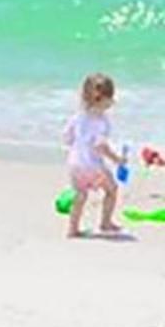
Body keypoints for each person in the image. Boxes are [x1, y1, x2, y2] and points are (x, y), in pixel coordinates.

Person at [62, 73, 124, 237]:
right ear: (104, 99)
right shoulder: (102, 121)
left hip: (75, 164)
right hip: (93, 165)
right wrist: (117, 160)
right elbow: (100, 146)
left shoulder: (77, 117)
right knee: (112, 190)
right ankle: (105, 223)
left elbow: (67, 137)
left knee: (80, 195)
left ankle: (72, 229)